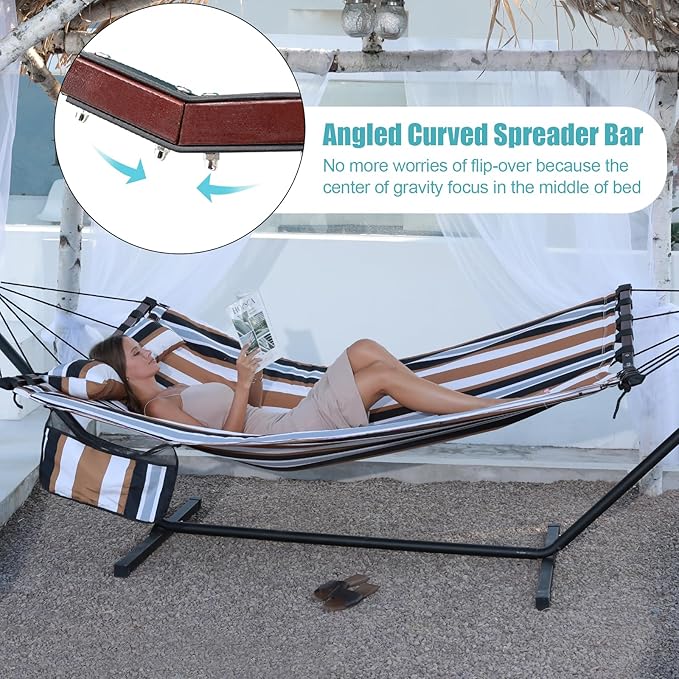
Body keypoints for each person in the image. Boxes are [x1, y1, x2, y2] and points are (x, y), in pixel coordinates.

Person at [89, 334, 519, 435]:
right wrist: (240, 384)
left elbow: (251, 405)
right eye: (136, 353)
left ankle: (450, 398)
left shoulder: (174, 390)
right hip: (287, 434)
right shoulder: (158, 408)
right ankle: (482, 407)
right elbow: (230, 439)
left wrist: (254, 371)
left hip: (284, 418)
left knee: (363, 348)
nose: (147, 352)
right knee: (381, 377)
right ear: (123, 373)